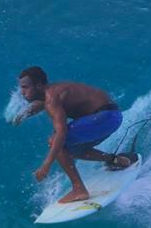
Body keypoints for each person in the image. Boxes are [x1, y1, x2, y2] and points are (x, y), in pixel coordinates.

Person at [13, 66, 136, 203]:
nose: (22, 92)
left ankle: (79, 189)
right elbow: (43, 103)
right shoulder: (54, 90)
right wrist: (25, 114)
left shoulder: (51, 99)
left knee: (56, 141)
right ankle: (115, 160)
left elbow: (61, 131)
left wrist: (46, 165)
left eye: (25, 87)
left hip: (103, 119)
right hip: (112, 117)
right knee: (73, 149)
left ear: (39, 85)